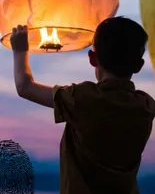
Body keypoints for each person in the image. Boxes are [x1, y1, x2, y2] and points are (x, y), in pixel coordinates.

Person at [10, 16, 155, 194]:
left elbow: (25, 87)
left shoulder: (83, 98)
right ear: (139, 65)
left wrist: (19, 50)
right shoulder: (147, 106)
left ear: (93, 59)